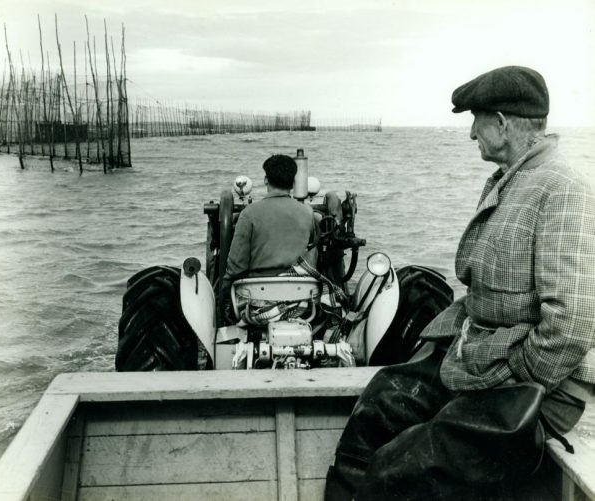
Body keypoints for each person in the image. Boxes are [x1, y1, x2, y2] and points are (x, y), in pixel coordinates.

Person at [325, 66, 595, 500]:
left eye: (477, 120)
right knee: (380, 405)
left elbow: (572, 324)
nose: (472, 134)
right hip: (483, 364)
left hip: (534, 390)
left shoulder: (561, 189)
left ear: (503, 124)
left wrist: (513, 377)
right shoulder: (512, 181)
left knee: (399, 470)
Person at [220, 154, 316, 322]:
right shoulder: (308, 213)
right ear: (293, 183)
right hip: (299, 301)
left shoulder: (249, 214)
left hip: (257, 303)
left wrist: (223, 297)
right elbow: (312, 250)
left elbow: (236, 267)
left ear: (265, 180)